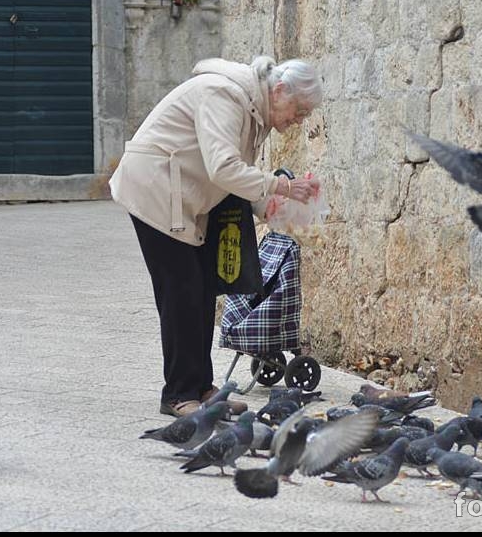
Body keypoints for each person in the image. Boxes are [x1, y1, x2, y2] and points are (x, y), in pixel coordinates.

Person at [109, 56, 323, 417]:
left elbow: (234, 171)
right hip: (156, 190)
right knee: (181, 290)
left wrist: (262, 205)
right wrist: (281, 186)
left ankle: (202, 388)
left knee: (203, 289)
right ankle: (178, 394)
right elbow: (222, 167)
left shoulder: (254, 107)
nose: (297, 121)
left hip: (185, 196)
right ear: (281, 90)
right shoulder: (223, 94)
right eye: (299, 111)